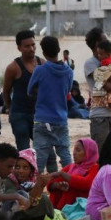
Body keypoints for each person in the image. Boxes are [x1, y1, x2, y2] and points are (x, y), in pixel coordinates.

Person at [28, 36, 74, 173]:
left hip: (42, 120)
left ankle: (34, 191)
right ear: (59, 49)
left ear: (43, 53)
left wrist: (43, 90)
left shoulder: (40, 70)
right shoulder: (69, 72)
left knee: (39, 161)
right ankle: (72, 184)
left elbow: (29, 91)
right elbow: (67, 90)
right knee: (65, 156)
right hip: (61, 120)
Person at [3, 30, 44, 152]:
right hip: (19, 115)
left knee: (43, 149)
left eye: (33, 45)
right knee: (24, 150)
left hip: (38, 114)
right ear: (19, 48)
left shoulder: (42, 63)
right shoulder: (13, 68)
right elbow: (6, 92)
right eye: (27, 46)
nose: (31, 48)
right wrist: (11, 110)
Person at [6, 148, 55, 220]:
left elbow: (35, 200)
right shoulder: (9, 180)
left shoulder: (30, 183)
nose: (20, 171)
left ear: (31, 171)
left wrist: (40, 186)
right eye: (17, 167)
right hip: (11, 218)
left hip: (25, 217)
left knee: (43, 199)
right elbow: (17, 201)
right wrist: (38, 186)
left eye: (25, 168)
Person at [46, 138, 100, 210]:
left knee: (69, 182)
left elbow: (86, 183)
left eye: (78, 150)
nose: (74, 153)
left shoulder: (95, 167)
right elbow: (51, 181)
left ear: (88, 152)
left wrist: (62, 174)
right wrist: (58, 185)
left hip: (80, 205)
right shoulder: (72, 167)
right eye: (74, 149)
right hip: (63, 205)